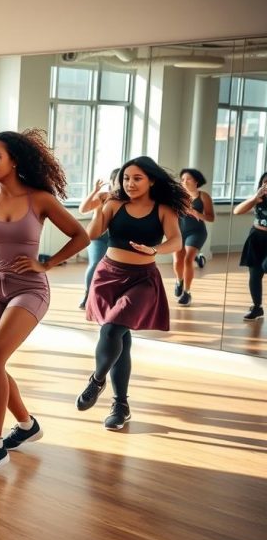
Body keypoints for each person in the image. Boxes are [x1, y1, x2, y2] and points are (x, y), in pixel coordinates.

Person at [0, 129, 89, 475]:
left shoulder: (40, 199)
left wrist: (47, 263)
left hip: (29, 287)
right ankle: (26, 425)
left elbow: (81, 235)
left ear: (14, 161)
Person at [77, 156, 185, 429]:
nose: (130, 183)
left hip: (142, 280)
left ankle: (96, 380)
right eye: (126, 178)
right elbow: (92, 234)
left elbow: (175, 241)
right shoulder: (114, 204)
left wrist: (155, 250)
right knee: (120, 339)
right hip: (108, 276)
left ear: (151, 180)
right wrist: (99, 207)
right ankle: (120, 405)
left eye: (137, 178)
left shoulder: (163, 209)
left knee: (112, 330)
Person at [78, 169, 120, 309]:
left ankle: (110, 297)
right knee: (96, 263)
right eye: (118, 180)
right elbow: (82, 210)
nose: (122, 184)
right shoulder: (103, 196)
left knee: (115, 268)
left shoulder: (129, 200)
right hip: (98, 237)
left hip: (116, 238)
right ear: (112, 182)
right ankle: (88, 294)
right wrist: (94, 191)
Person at [172, 168, 214, 306]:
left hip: (197, 232)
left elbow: (211, 217)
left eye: (188, 179)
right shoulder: (177, 196)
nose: (184, 182)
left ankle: (187, 293)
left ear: (196, 181)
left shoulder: (203, 196)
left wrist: (197, 213)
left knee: (188, 259)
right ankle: (179, 280)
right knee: (178, 260)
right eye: (182, 179)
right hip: (179, 231)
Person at [233, 171, 267, 321]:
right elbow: (237, 211)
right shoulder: (257, 199)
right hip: (256, 237)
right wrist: (255, 198)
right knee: (254, 275)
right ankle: (257, 307)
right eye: (265, 182)